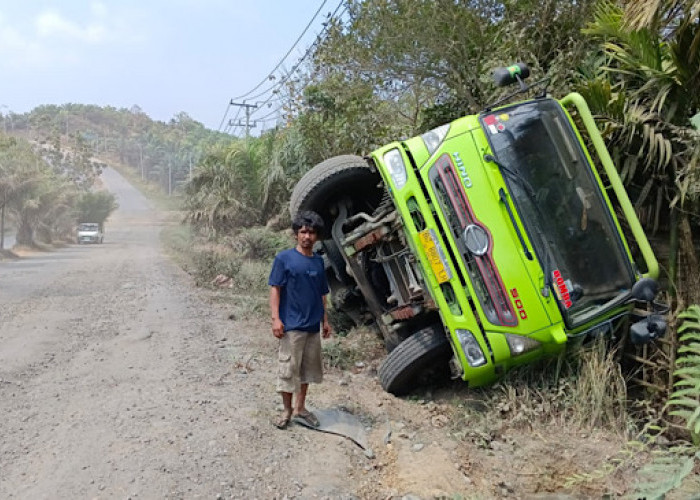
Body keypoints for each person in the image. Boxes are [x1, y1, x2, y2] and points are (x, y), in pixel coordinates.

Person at [268, 210, 332, 430]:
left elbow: (322, 294)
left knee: (307, 370)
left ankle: (300, 408)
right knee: (288, 369)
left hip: (313, 326)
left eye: (312, 232)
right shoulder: (284, 259)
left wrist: (325, 321)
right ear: (296, 234)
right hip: (292, 325)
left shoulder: (318, 262)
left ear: (317, 236)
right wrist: (276, 319)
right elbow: (275, 289)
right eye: (303, 232)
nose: (307, 236)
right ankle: (286, 410)